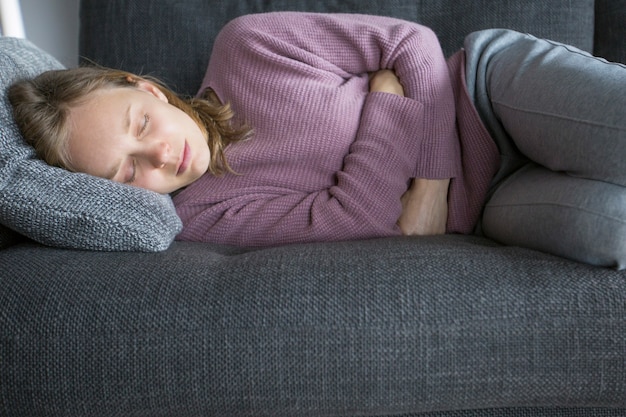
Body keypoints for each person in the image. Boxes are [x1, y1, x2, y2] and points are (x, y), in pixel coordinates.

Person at [8, 12, 625, 250]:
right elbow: (353, 216)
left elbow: (409, 44)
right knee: (611, 231)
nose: (163, 155)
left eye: (141, 125)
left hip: (485, 91)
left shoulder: (248, 46)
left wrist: (431, 181)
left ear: (144, 87)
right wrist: (384, 99)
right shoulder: (205, 216)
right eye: (127, 171)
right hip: (492, 204)